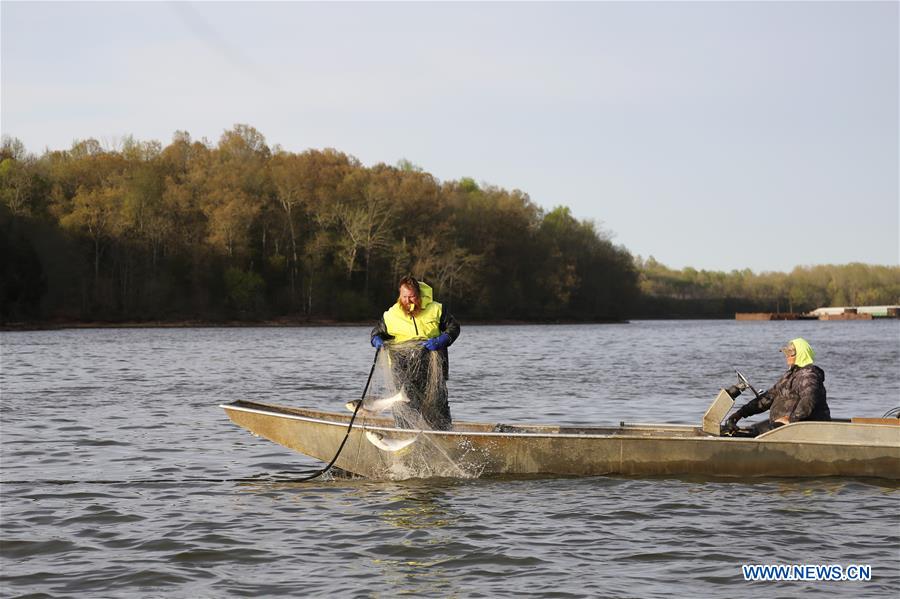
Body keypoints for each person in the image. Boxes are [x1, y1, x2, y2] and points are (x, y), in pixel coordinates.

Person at [370, 276, 460, 430]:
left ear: (419, 295)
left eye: (411, 297)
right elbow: (375, 334)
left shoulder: (436, 309)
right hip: (402, 370)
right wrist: (377, 340)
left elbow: (454, 328)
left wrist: (442, 339)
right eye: (404, 297)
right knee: (404, 405)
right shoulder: (391, 315)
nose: (408, 301)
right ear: (400, 295)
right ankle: (406, 440)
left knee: (436, 405)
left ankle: (442, 436)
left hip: (432, 370)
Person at [724, 337, 830, 436]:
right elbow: (768, 398)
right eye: (786, 352)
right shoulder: (790, 375)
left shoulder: (809, 375)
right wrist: (741, 413)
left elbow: (808, 400)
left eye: (791, 353)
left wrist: (791, 419)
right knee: (751, 431)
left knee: (757, 434)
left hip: (803, 428)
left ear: (802, 354)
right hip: (786, 427)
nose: (787, 355)